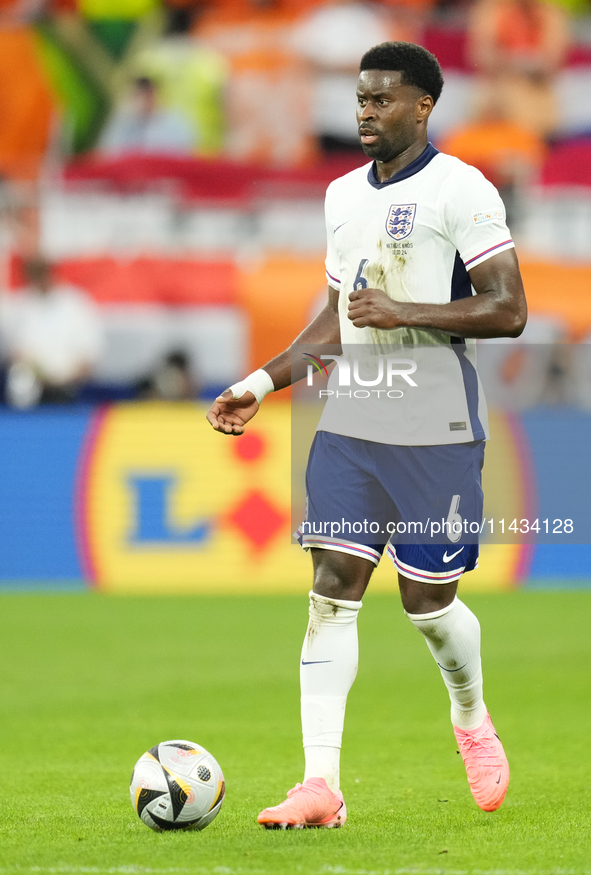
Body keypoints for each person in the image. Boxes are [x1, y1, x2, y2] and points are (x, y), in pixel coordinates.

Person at [206, 41, 527, 828]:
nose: (364, 113)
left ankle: (469, 715)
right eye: (358, 100)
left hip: (436, 423)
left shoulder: (464, 190)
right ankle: (321, 786)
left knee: (427, 602)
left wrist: (403, 311)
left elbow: (508, 309)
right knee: (331, 592)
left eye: (381, 100)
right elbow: (335, 319)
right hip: (352, 416)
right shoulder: (341, 196)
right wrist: (259, 383)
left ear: (422, 106)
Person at [1, 256, 103, 407]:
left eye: (42, 273)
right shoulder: (20, 305)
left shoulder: (76, 303)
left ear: (51, 272)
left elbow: (90, 353)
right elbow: (12, 350)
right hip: (31, 388)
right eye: (34, 274)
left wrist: (66, 379)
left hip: (69, 388)